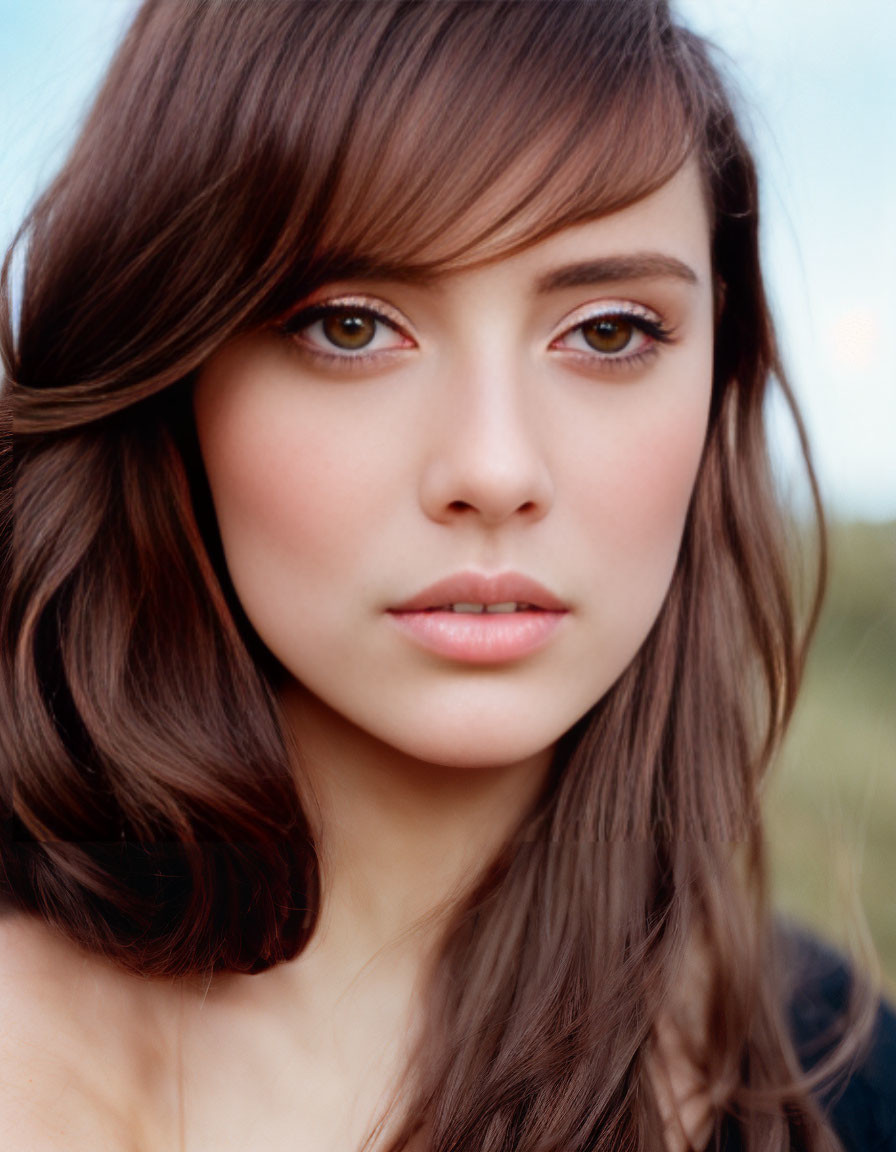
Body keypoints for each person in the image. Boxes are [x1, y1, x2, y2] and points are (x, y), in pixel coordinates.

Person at [0, 1, 892, 1149]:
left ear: (718, 377)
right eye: (352, 327)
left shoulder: (842, 1082)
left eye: (608, 332)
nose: (492, 468)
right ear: (169, 371)